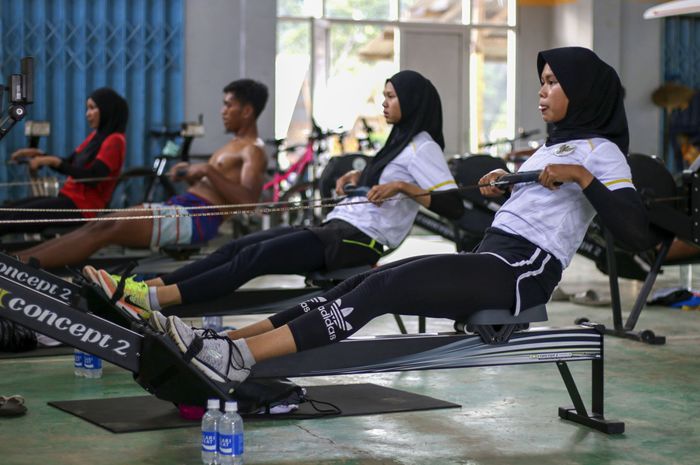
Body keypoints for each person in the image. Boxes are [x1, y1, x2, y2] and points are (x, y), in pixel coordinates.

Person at [152, 47, 651, 387]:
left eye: (551, 83)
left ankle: (238, 360)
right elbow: (529, 210)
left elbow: (634, 233)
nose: (541, 92)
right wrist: (503, 183)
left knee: (377, 291)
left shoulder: (601, 153)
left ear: (582, 92)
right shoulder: (554, 148)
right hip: (494, 257)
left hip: (523, 273)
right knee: (346, 290)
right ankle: (224, 342)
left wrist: (584, 179)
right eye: (541, 83)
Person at [95, 70, 465, 321]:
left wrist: (403, 187)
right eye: (384, 96)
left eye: (391, 97)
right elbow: (388, 180)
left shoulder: (423, 146)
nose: (384, 103)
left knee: (254, 257)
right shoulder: (400, 141)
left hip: (360, 243)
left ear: (412, 102)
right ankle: (144, 288)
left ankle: (152, 302)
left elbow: (454, 206)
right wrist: (360, 176)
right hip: (339, 228)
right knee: (235, 248)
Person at [16, 79, 269, 269]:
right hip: (183, 208)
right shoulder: (233, 146)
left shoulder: (253, 150)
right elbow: (219, 186)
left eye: (228, 105)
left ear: (246, 111)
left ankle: (21, 264)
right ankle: (18, 261)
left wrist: (207, 170)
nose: (223, 111)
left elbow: (247, 201)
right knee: (101, 225)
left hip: (196, 218)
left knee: (106, 227)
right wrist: (192, 175)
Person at [2, 87, 128, 235]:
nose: (88, 114)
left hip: (82, 209)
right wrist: (39, 155)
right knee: (8, 209)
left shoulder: (115, 140)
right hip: (68, 200)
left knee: (13, 218)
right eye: (87, 109)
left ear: (107, 110)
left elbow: (93, 177)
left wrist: (53, 161)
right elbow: (69, 162)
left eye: (92, 108)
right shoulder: (96, 136)